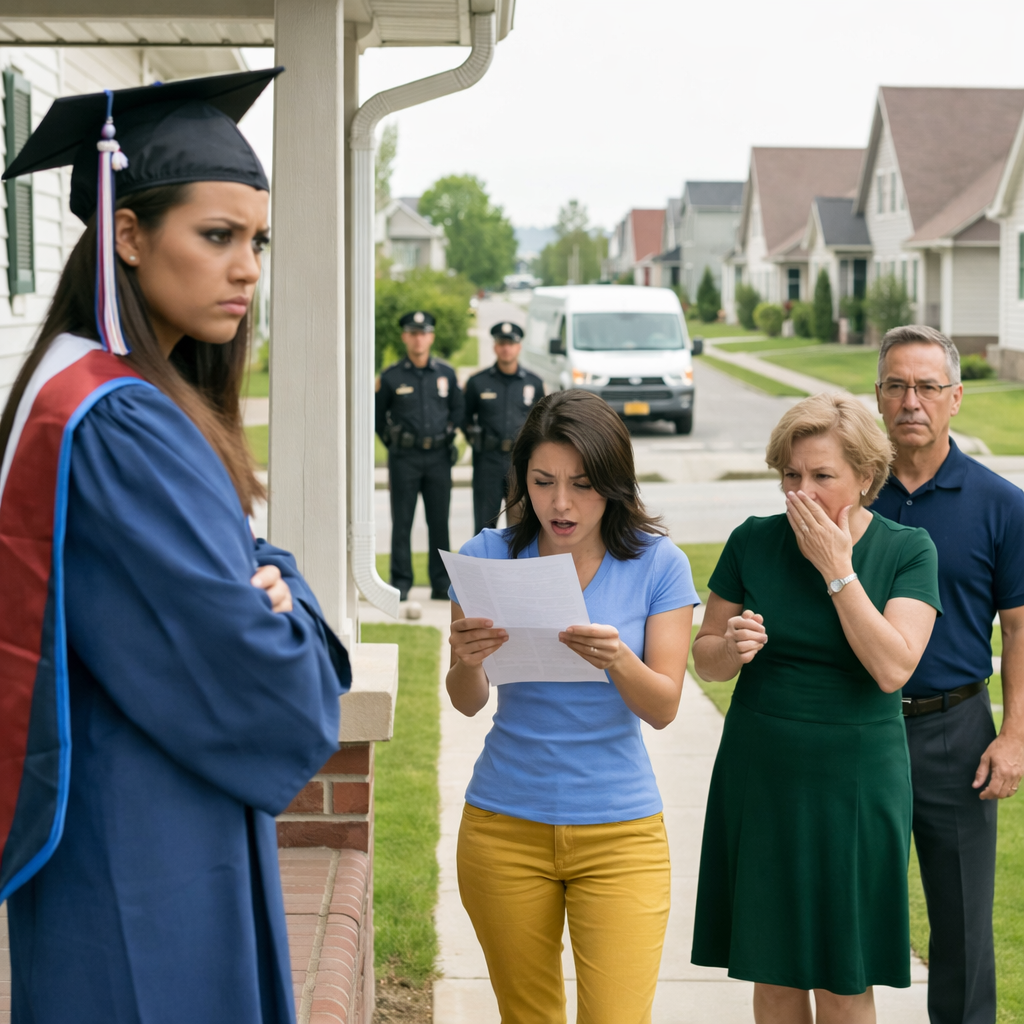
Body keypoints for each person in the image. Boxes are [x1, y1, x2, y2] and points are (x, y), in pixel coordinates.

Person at [0, 71, 350, 1024]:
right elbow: (269, 682)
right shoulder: (121, 424)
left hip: (136, 807)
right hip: (147, 844)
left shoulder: (81, 388)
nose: (247, 269)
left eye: (257, 242)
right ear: (128, 234)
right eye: (218, 236)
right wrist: (292, 599)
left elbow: (234, 574)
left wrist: (270, 575)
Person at [446, 389, 698, 1024]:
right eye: (543, 482)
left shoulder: (659, 564)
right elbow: (466, 702)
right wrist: (467, 661)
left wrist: (618, 660)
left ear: (613, 482)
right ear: (522, 481)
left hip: (621, 834)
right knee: (527, 1015)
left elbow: (664, 708)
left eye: (583, 484)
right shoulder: (485, 557)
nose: (561, 503)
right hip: (503, 826)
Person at [691, 392, 942, 1024]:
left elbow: (893, 667)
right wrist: (730, 647)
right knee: (772, 972)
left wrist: (837, 571)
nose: (801, 492)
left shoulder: (909, 549)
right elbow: (705, 659)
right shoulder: (753, 540)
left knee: (843, 978)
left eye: (822, 476)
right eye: (791, 475)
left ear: (866, 477)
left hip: (857, 782)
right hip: (762, 774)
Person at [871, 325, 1024, 1024]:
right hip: (858, 727)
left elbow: (1018, 630)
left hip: (956, 733)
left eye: (928, 387)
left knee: (962, 928)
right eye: (897, 385)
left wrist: (1013, 736)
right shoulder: (847, 497)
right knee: (843, 913)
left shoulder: (1002, 505)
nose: (912, 401)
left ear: (955, 397)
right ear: (878, 396)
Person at [375, 310, 464, 604]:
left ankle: (441, 583)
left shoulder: (445, 374)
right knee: (402, 522)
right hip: (405, 459)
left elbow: (458, 409)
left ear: (431, 337)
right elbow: (378, 416)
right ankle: (401, 582)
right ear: (405, 337)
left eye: (423, 333)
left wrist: (449, 433)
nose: (418, 339)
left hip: (439, 457)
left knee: (439, 522)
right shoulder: (391, 377)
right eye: (413, 333)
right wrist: (395, 442)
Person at [462, 320, 543, 533]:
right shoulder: (478, 382)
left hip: (520, 462)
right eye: (502, 343)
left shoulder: (533, 383)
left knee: (521, 528)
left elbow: (542, 422)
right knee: (484, 525)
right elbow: (464, 417)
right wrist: (476, 441)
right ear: (495, 347)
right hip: (487, 461)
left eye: (511, 344)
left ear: (519, 347)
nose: (506, 348)